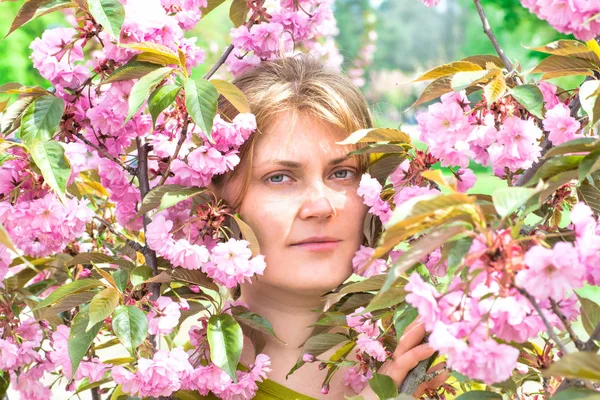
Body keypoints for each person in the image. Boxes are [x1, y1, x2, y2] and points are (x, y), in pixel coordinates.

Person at [211, 55, 446, 399]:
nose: (321, 207)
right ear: (213, 202)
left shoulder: (422, 360)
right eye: (279, 177)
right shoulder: (181, 381)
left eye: (342, 173)